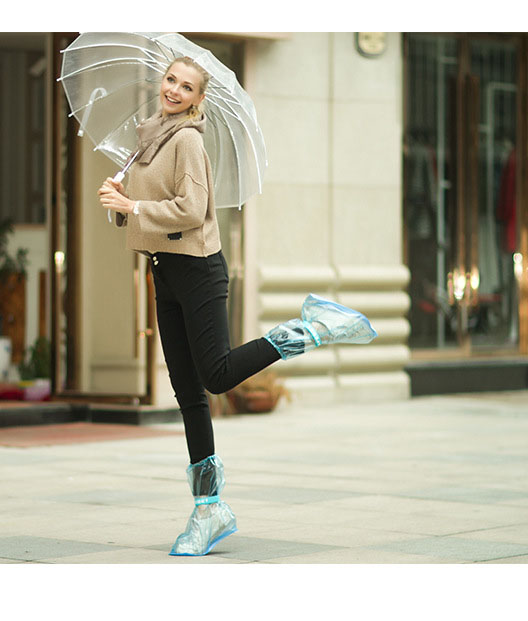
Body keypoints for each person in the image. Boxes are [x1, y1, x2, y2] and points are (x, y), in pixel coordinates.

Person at [98, 56, 376, 556]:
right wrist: (120, 200)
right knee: (188, 393)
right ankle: (208, 510)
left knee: (217, 375)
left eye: (187, 86)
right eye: (171, 80)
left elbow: (193, 210)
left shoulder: (187, 139)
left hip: (199, 270)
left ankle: (309, 330)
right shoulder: (150, 137)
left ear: (199, 98)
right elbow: (150, 211)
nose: (174, 90)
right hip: (165, 271)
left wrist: (133, 206)